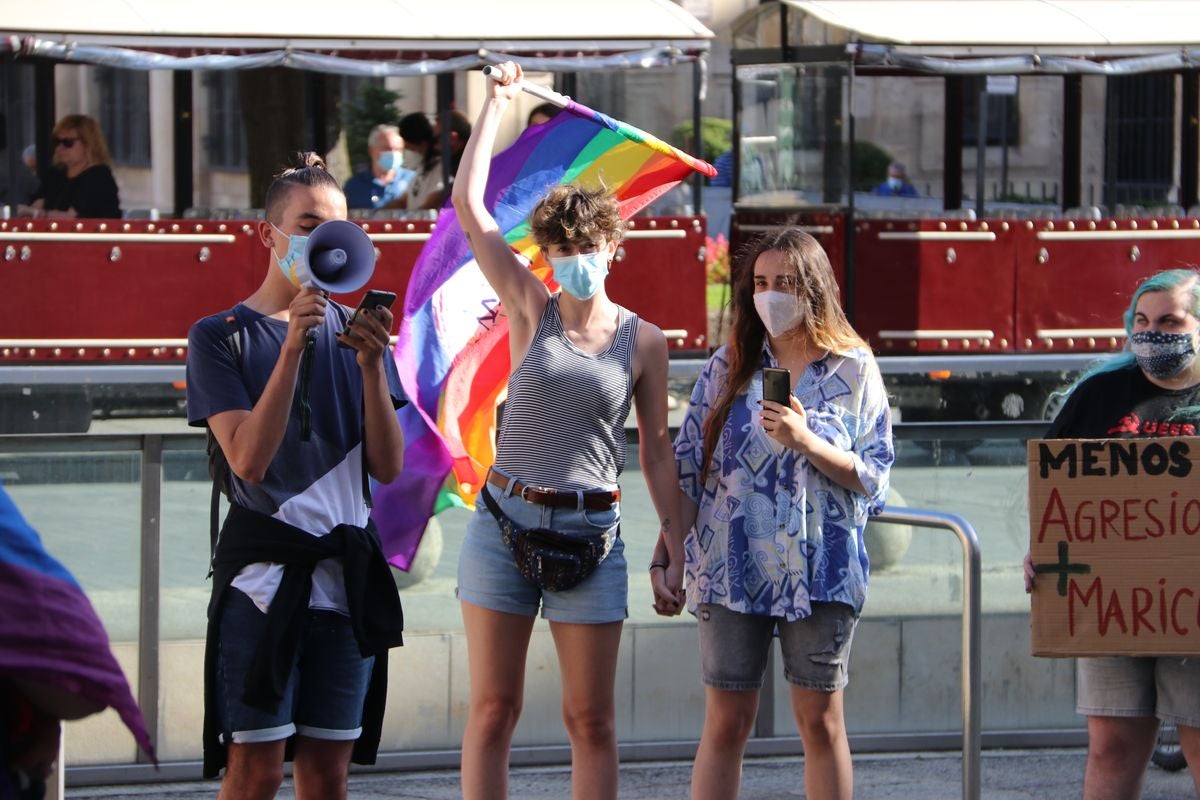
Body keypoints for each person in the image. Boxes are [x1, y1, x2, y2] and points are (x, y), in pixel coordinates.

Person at [450, 61, 684, 800]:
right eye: (563, 250)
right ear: (547, 254)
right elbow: (470, 208)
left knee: (592, 720)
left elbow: (655, 450)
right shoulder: (528, 305)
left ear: (615, 247)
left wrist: (676, 545)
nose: (576, 262)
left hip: (593, 532)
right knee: (493, 710)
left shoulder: (645, 341)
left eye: (589, 249)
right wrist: (496, 104)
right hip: (503, 519)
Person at [185, 153, 407, 799]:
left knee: (327, 776)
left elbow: (388, 468)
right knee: (253, 773)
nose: (322, 238)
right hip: (261, 589)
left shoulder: (355, 336)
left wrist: (371, 369)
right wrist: (290, 350)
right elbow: (248, 460)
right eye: (307, 223)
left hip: (344, 584)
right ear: (268, 234)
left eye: (336, 226)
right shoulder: (219, 337)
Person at [652, 227, 894, 800]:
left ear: (813, 288)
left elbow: (876, 478)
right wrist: (669, 552)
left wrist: (806, 440)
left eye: (784, 282)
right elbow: (688, 468)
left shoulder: (854, 368)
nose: (769, 294)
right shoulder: (726, 365)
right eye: (760, 282)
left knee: (820, 720)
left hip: (822, 570)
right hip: (731, 567)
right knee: (726, 722)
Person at [1023, 267, 1200, 799]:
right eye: (1142, 321)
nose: (1152, 333)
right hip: (1108, 604)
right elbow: (1055, 484)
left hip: (1193, 604)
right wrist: (1040, 548)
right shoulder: (1098, 394)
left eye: (1170, 321)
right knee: (1110, 748)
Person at [28, 115, 120, 219]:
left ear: (88, 143)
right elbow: (36, 206)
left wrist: (38, 213)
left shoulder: (99, 176)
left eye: (68, 143)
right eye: (56, 142)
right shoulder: (55, 174)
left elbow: (71, 217)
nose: (59, 148)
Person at [343, 124, 413, 210]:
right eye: (387, 148)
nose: (393, 154)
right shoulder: (354, 185)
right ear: (371, 151)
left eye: (398, 149)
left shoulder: (413, 179)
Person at [389, 112, 444, 211]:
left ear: (423, 144)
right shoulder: (422, 169)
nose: (407, 153)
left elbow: (430, 206)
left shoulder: (441, 170)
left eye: (410, 148)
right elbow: (403, 201)